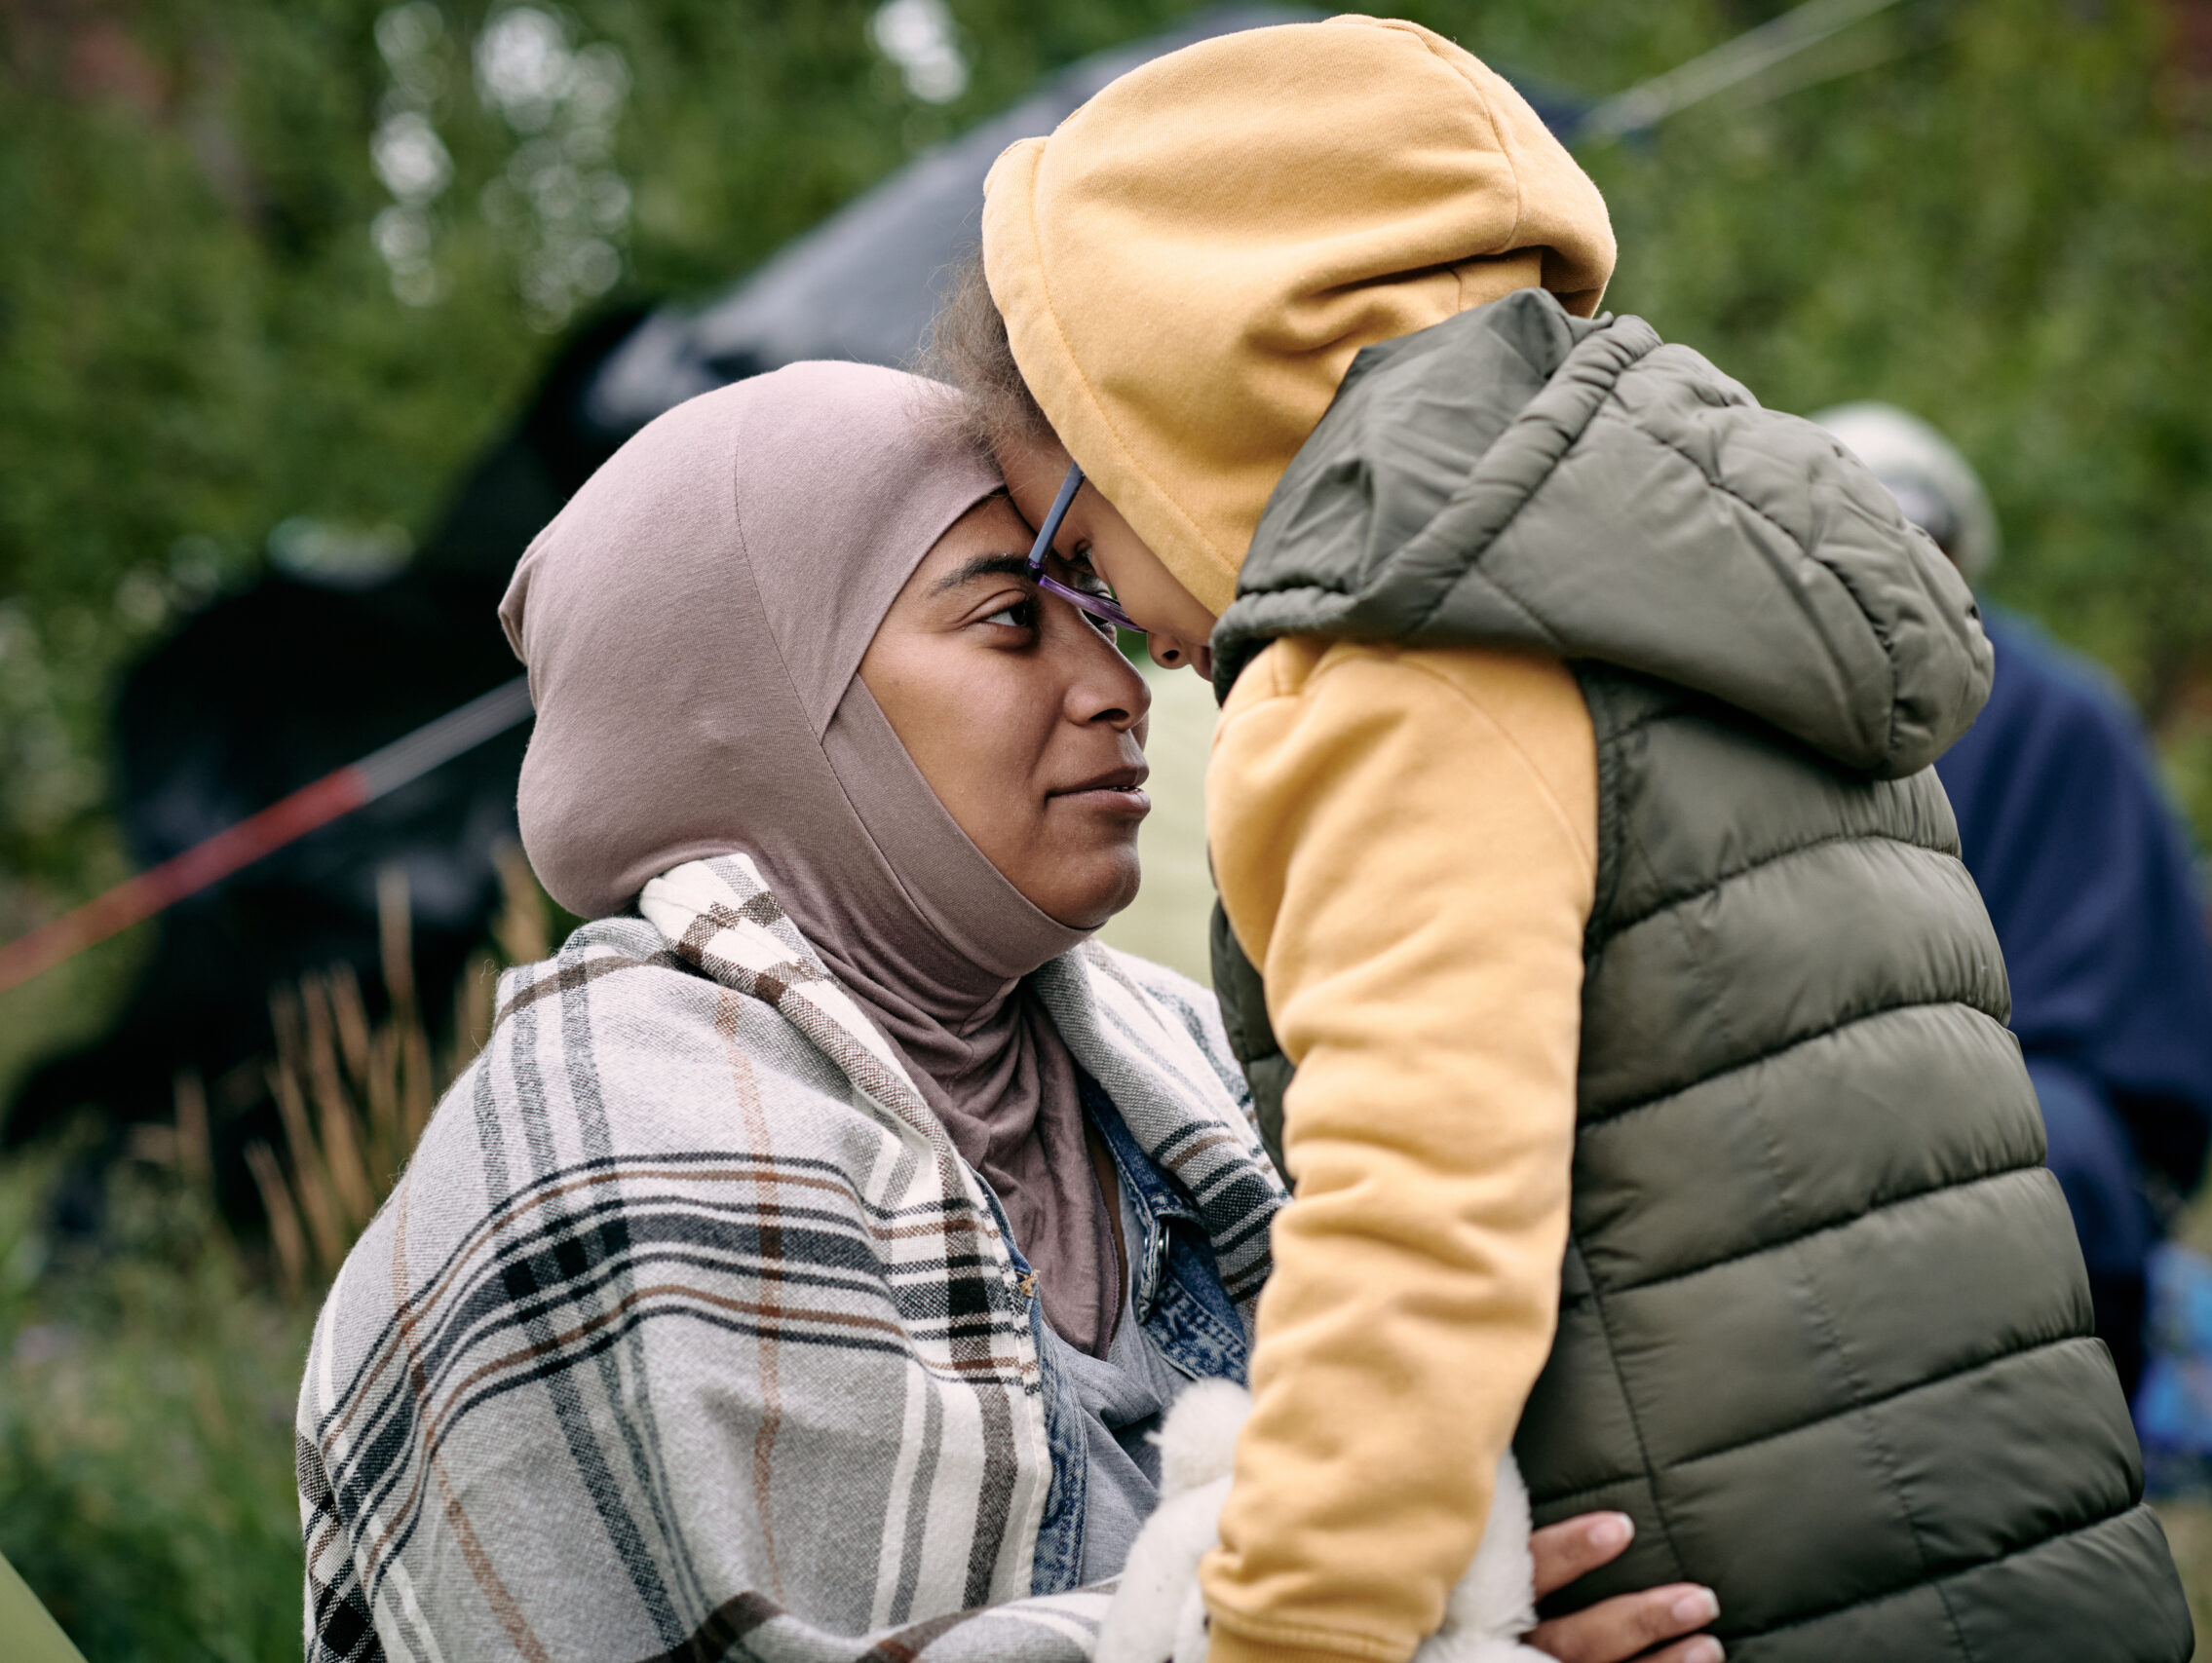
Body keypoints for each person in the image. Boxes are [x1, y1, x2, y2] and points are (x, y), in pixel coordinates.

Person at [951, 17, 2195, 1663]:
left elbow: (1419, 1224)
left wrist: (1288, 1630)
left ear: (1186, 403)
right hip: (2003, 1545)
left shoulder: (1401, 655)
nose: (1118, 631)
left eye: (1076, 544)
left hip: (1762, 1600)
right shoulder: (1673, 566)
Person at [292, 361, 1722, 1663]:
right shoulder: (600, 1152)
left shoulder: (1189, 1054)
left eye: (1102, 610)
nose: (1119, 686)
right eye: (1010, 620)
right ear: (767, 707)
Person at [1811, 403, 2212, 1403]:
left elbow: (2157, 1033)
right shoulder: (1735, 708)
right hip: (1795, 1092)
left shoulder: (2061, 719)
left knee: (2053, 1160)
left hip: (2027, 1093)